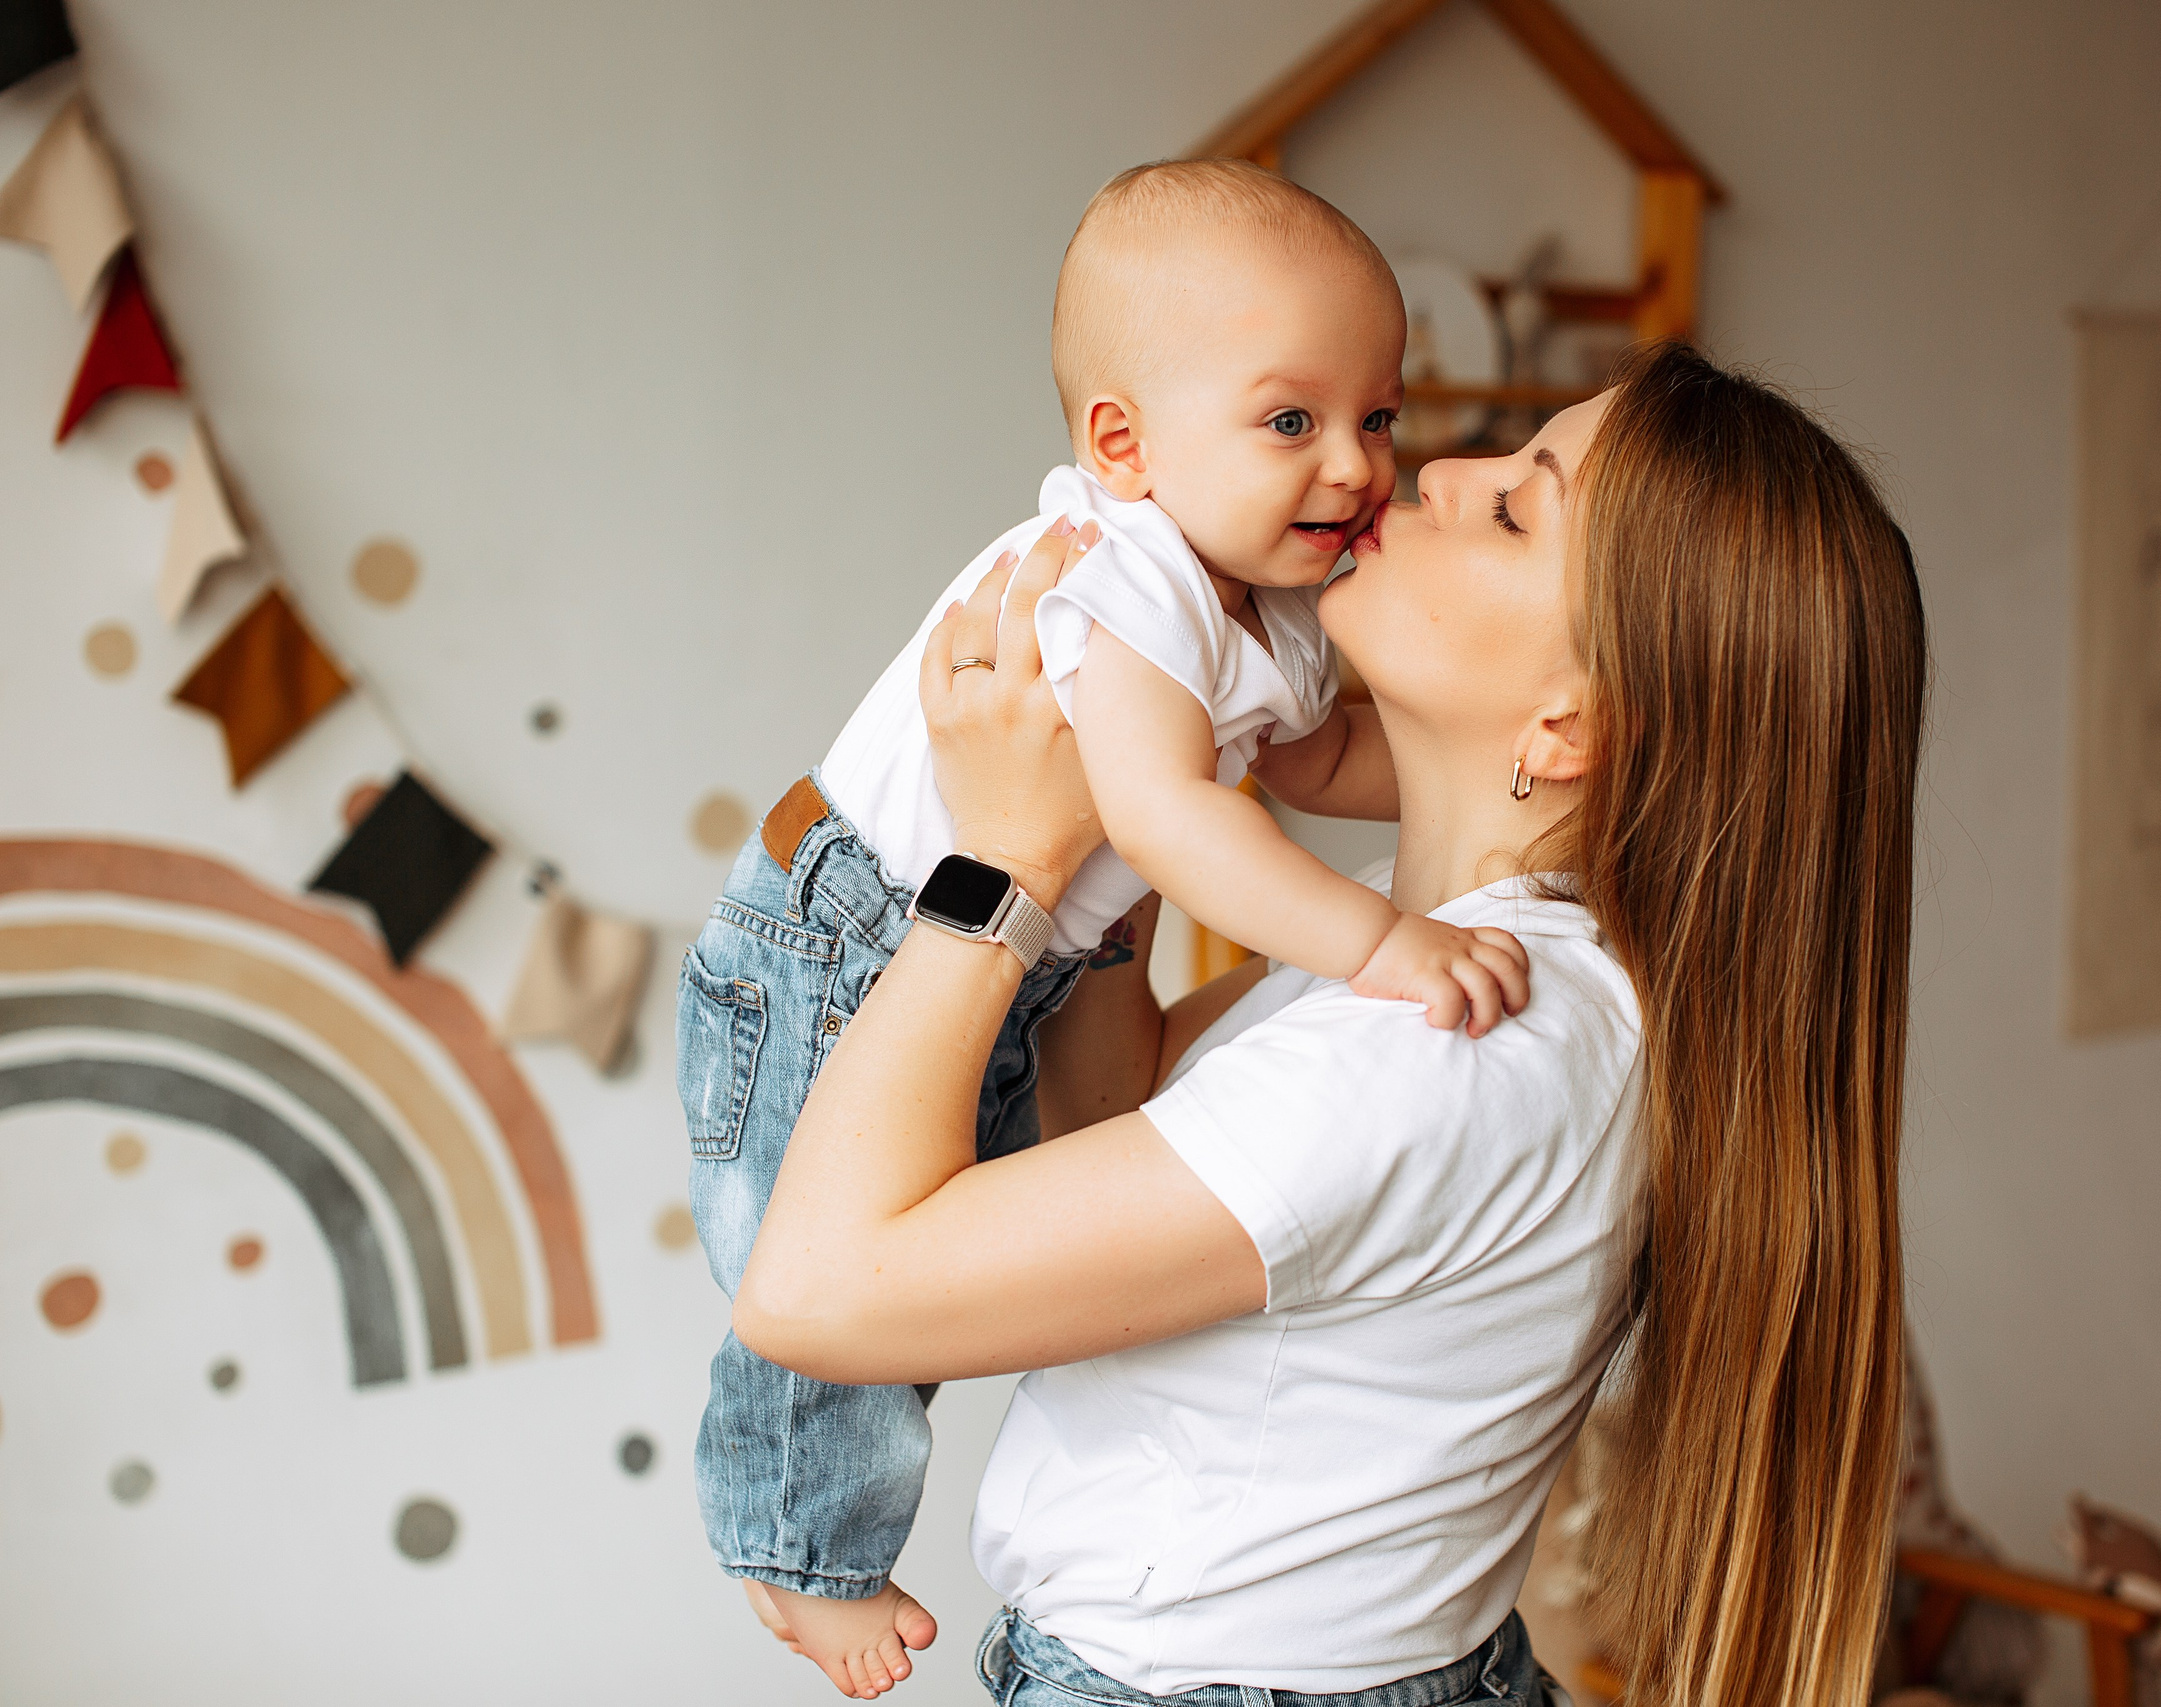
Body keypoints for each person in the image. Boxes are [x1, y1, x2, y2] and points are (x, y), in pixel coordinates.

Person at [732, 342, 1931, 1707]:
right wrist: (1128, 816)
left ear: (1568, 723)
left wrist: (1002, 866)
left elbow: (815, 1295)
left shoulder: (1456, 1045)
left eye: (1512, 507)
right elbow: (1122, 1111)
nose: (1438, 466)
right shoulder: (1425, 945)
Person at [679, 159, 1529, 1695]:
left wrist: (1506, 750)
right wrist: (1383, 946)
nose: (1357, 467)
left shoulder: (1261, 595)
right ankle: (800, 1555)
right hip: (842, 931)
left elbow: (1314, 760)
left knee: (947, 1253)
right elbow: (1162, 817)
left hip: (1027, 954)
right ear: (1122, 446)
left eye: (1378, 416)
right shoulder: (1124, 576)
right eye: (1293, 422)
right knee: (817, 1300)